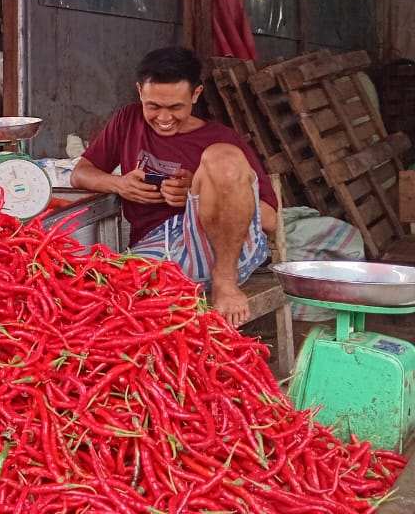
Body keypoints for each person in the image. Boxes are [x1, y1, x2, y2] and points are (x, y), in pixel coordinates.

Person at [70, 47, 278, 326]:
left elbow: (270, 220)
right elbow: (80, 174)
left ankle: (225, 283)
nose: (164, 118)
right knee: (94, 296)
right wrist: (119, 184)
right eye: (153, 106)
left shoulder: (220, 136)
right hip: (157, 251)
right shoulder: (127, 120)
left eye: (175, 107)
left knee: (221, 157)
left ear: (195, 95)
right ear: (139, 92)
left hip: (222, 251)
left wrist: (200, 194)